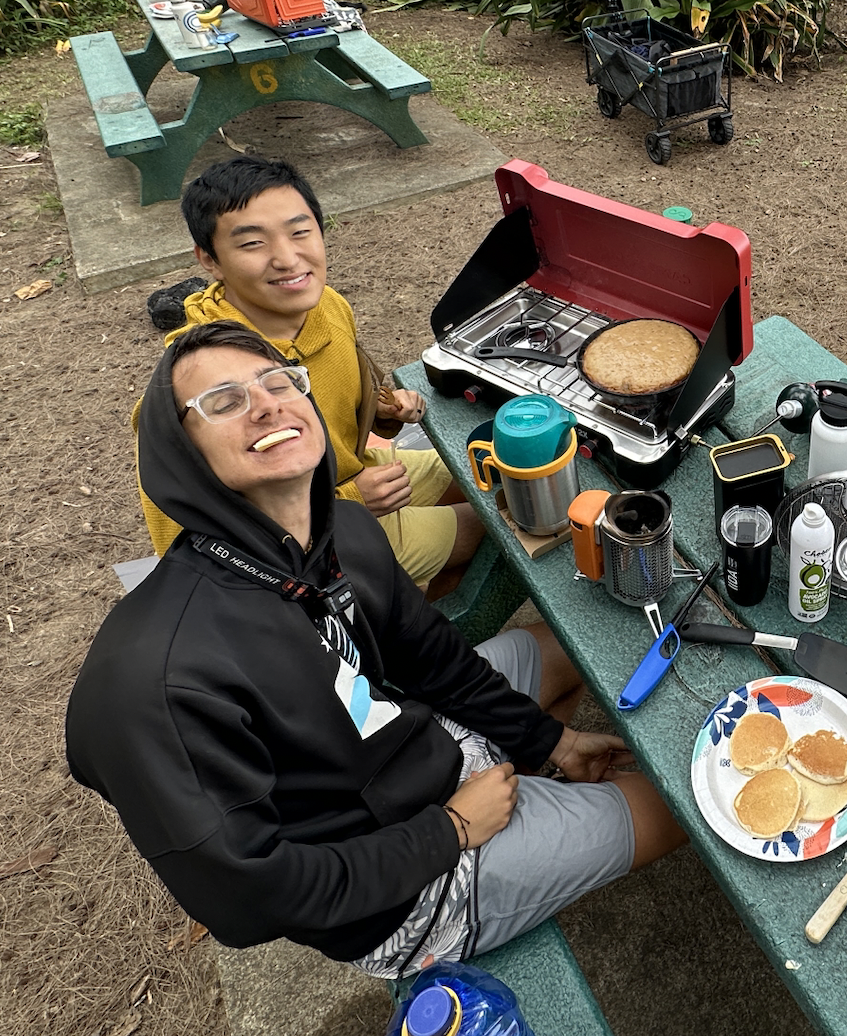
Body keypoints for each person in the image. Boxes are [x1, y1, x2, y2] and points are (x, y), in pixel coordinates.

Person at [71, 321, 685, 978]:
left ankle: (532, 778)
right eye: (223, 401)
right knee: (676, 809)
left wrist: (548, 743)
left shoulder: (344, 530)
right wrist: (449, 830)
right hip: (395, 894)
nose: (266, 402)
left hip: (404, 742)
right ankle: (523, 834)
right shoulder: (155, 679)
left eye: (278, 380)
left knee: (558, 653)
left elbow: (436, 664)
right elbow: (248, 897)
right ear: (179, 453)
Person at [133, 155, 483, 589]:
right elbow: (202, 533)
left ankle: (402, 601)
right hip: (312, 544)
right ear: (210, 259)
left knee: (480, 467)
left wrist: (384, 414)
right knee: (495, 525)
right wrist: (349, 503)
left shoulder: (328, 306)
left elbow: (343, 406)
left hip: (358, 474)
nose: (286, 259)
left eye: (300, 232)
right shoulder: (203, 384)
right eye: (251, 244)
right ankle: (376, 612)